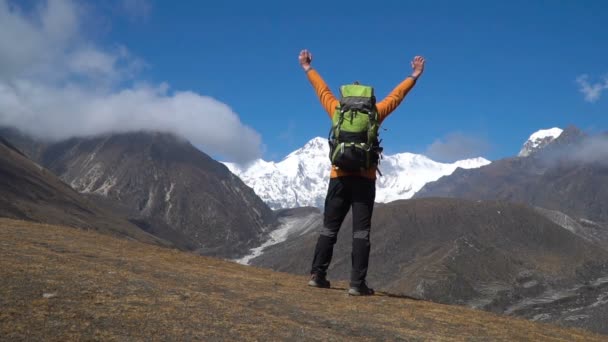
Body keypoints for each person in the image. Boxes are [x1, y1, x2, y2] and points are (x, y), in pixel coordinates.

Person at [299, 49, 425, 296]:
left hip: (339, 177)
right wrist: (415, 75)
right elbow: (396, 96)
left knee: (329, 229)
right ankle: (357, 284)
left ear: (347, 99)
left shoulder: (337, 110)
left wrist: (307, 68)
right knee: (360, 232)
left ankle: (317, 275)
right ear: (367, 99)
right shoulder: (375, 113)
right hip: (364, 180)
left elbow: (321, 90)